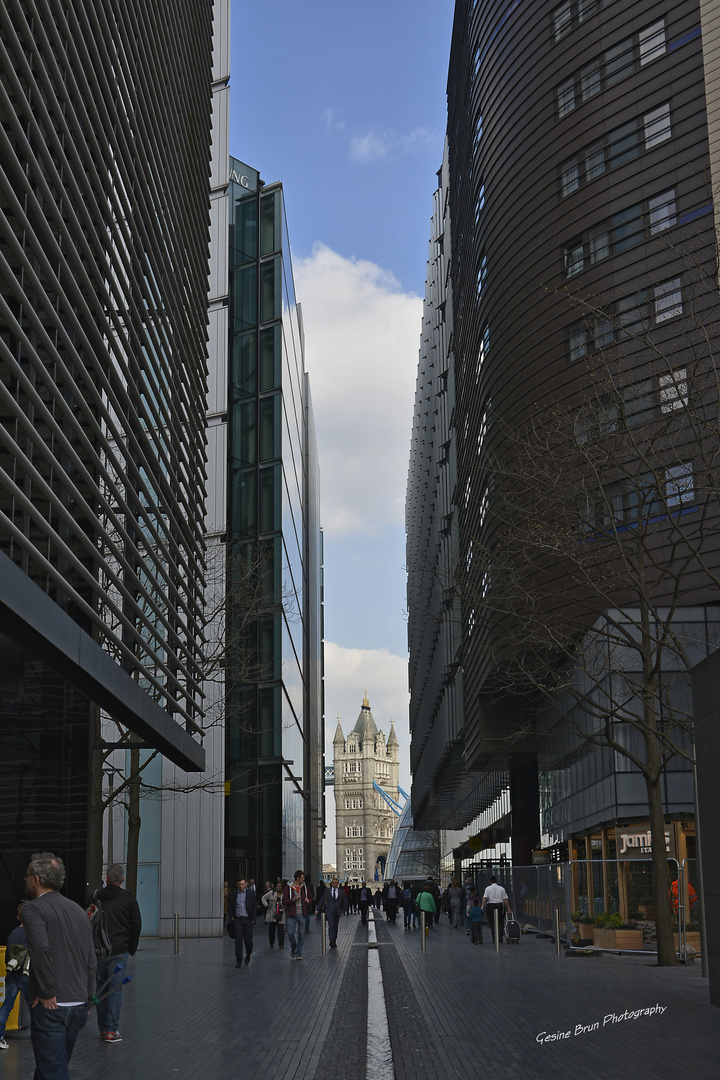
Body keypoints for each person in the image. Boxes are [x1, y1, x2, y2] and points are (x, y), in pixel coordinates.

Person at [22, 852, 96, 1080]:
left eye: (27, 875)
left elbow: (41, 951)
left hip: (52, 1006)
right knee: (50, 1068)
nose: (24, 880)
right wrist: (89, 997)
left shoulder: (32, 910)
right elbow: (90, 959)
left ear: (36, 879)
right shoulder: (78, 911)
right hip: (77, 1003)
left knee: (53, 1071)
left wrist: (45, 993)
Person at [92, 863, 142, 1043]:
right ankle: (112, 1030)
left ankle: (103, 1029)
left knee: (100, 989)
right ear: (123, 879)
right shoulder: (128, 900)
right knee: (114, 989)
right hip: (119, 950)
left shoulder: (97, 897)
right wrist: (131, 947)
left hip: (98, 950)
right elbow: (136, 925)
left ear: (106, 879)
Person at [0, 902, 30, 1049]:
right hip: (26, 975)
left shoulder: (13, 933)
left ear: (18, 917)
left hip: (12, 975)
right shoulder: (33, 933)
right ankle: (41, 1035)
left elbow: (7, 957)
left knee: (7, 1005)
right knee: (34, 1006)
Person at [282, 871, 312, 960]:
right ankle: (293, 946)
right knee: (290, 933)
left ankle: (299, 953)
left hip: (302, 913)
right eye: (302, 877)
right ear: (297, 878)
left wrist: (308, 901)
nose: (303, 879)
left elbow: (311, 898)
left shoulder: (305, 887)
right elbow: (284, 901)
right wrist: (293, 900)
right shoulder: (288, 887)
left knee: (301, 934)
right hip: (292, 914)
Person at [228, 877, 257, 966]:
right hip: (237, 920)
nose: (241, 886)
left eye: (242, 884)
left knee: (248, 941)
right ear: (237, 884)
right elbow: (230, 906)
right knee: (238, 941)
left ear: (245, 884)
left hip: (247, 919)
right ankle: (239, 960)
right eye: (239, 884)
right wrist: (232, 917)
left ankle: (248, 954)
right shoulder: (233, 894)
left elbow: (254, 907)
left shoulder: (251, 894)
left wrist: (253, 919)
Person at [318, 878, 348, 948]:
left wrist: (343, 911)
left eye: (336, 883)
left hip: (338, 912)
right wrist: (318, 909)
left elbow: (345, 902)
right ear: (331, 884)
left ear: (338, 884)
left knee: (335, 926)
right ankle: (331, 940)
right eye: (334, 883)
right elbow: (322, 899)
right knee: (331, 926)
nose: (335, 884)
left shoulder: (341, 892)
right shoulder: (327, 891)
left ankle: (334, 940)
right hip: (329, 911)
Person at [482, 876, 511, 943]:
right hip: (499, 905)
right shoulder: (502, 889)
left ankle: (495, 938)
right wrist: (509, 908)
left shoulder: (487, 889)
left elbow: (485, 897)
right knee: (500, 921)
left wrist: (482, 905)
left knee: (492, 922)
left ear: (490, 882)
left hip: (490, 905)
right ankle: (500, 933)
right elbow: (505, 899)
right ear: (496, 881)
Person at [262, 883, 286, 949]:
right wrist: (267, 905)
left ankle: (281, 944)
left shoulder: (284, 895)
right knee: (272, 930)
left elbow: (287, 903)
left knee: (281, 930)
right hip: (272, 914)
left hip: (281, 914)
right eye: (277, 886)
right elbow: (263, 898)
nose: (278, 887)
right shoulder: (271, 893)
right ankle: (271, 943)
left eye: (280, 886)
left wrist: (283, 904)